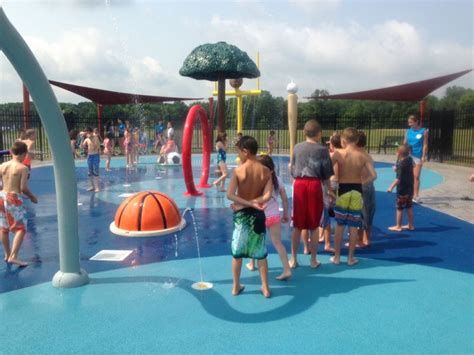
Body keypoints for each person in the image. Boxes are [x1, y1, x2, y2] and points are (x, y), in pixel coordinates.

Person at [227, 136, 273, 298]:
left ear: (245, 151)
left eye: (239, 152)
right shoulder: (265, 171)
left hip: (241, 217)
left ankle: (235, 286)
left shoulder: (239, 171)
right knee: (261, 253)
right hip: (258, 216)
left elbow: (230, 195)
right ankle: (265, 287)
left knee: (237, 253)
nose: (238, 155)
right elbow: (267, 196)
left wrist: (246, 203)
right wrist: (253, 203)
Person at [289, 119, 334, 269]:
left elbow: (292, 168)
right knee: (314, 225)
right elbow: (326, 175)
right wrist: (331, 191)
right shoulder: (322, 150)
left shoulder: (297, 147)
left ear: (304, 133)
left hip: (299, 185)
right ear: (319, 133)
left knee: (297, 224)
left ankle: (293, 259)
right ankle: (313, 260)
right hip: (315, 185)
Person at [331, 128, 377, 266]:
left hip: (343, 190)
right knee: (353, 225)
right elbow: (374, 175)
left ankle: (337, 257)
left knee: (340, 224)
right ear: (357, 140)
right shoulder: (362, 155)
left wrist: (329, 187)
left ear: (343, 140)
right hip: (357, 190)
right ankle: (351, 258)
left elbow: (327, 170)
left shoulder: (338, 153)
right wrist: (362, 182)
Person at [245, 155, 292, 281]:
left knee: (254, 241)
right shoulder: (278, 179)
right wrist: (286, 213)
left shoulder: (257, 180)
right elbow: (284, 199)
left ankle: (252, 263)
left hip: (260, 216)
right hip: (274, 216)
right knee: (277, 243)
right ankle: (287, 269)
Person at [0, 141, 38, 266]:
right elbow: (23, 188)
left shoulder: (3, 165)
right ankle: (14, 256)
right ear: (24, 154)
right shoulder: (23, 168)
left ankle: (7, 254)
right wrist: (32, 197)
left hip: (2, 196)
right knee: (20, 228)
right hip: (13, 198)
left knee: (4, 228)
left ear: (11, 152)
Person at [387, 144, 415, 232]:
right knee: (409, 206)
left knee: (399, 208)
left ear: (399, 153)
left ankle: (398, 226)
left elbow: (398, 179)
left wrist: (390, 187)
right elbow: (413, 166)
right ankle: (410, 225)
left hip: (402, 190)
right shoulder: (409, 160)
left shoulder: (401, 165)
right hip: (410, 188)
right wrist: (398, 169)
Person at [357, 131, 376, 247]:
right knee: (368, 212)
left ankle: (360, 240)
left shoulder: (358, 156)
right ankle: (366, 238)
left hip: (362, 186)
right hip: (369, 187)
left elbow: (373, 175)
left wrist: (361, 183)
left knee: (360, 214)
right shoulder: (367, 155)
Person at [404, 115, 428, 203]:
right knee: (407, 176)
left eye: (411, 122)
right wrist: (403, 153)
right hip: (408, 156)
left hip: (418, 156)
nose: (409, 124)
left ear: (416, 122)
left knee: (416, 176)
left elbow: (425, 144)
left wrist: (424, 155)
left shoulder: (423, 131)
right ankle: (407, 193)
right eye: (408, 122)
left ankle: (416, 195)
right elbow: (405, 143)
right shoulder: (408, 131)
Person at [81, 127, 101, 192]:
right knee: (90, 171)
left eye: (88, 132)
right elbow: (81, 146)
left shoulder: (95, 138)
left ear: (91, 132)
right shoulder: (87, 139)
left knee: (96, 170)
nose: (87, 134)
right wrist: (82, 138)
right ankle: (92, 186)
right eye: (86, 133)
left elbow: (96, 146)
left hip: (95, 155)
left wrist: (91, 138)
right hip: (90, 156)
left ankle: (97, 187)